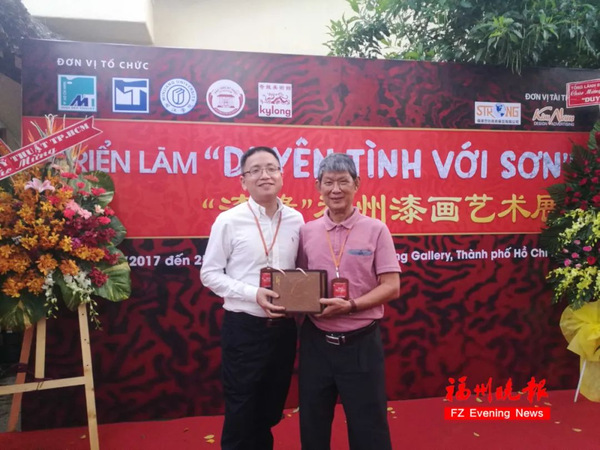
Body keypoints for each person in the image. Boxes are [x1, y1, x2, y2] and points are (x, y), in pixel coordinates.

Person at [200, 146, 304, 450]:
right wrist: (253, 294)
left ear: (281, 175)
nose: (264, 175)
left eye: (271, 168)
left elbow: (302, 270)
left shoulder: (296, 220)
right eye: (255, 170)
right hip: (244, 328)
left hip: (284, 329)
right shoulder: (229, 220)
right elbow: (209, 274)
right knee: (241, 408)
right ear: (243, 181)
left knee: (271, 407)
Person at [297, 153, 401, 450]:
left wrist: (352, 305)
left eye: (343, 182)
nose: (336, 189)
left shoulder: (376, 229)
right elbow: (300, 282)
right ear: (318, 186)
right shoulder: (307, 231)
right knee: (313, 424)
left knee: (369, 427)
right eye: (328, 182)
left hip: (361, 344)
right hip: (316, 342)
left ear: (356, 184)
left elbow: (392, 286)